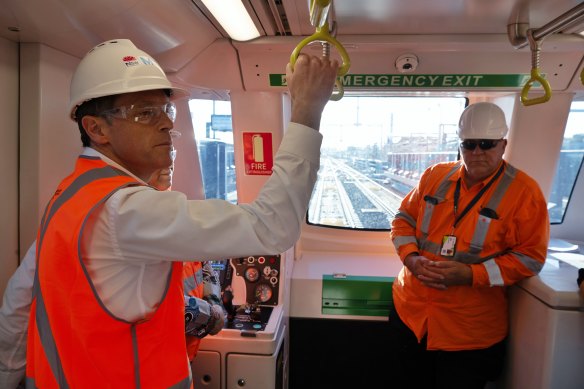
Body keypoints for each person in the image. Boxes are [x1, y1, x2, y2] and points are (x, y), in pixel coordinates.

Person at [24, 38, 338, 388]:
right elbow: (273, 226)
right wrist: (307, 111)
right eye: (144, 113)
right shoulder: (127, 210)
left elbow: (18, 304)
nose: (165, 124)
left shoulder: (70, 195)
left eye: (166, 110)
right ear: (96, 129)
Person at [0, 164, 225, 388]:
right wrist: (205, 316)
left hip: (168, 371)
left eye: (170, 146)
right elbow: (19, 307)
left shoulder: (179, 223)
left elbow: (205, 272)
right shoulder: (92, 222)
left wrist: (214, 304)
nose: (167, 159)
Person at [388, 102, 549, 389]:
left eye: (486, 144)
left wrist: (471, 275)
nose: (476, 152)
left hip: (468, 334)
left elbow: (530, 258)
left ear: (503, 145)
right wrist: (410, 258)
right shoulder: (434, 176)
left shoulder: (526, 194)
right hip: (410, 317)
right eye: (469, 144)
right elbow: (402, 219)